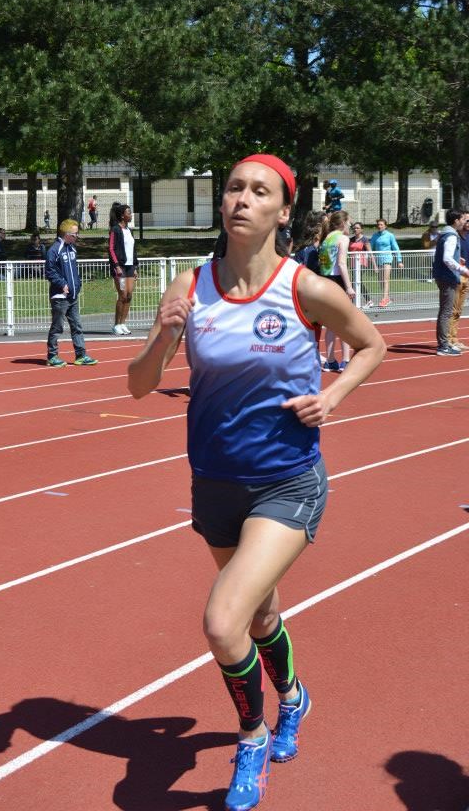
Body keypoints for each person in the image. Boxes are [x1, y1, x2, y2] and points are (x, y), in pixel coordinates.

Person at [128, 153, 385, 811]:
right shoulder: (191, 285)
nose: (242, 199)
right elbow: (138, 384)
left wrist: (333, 397)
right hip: (215, 482)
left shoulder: (306, 288)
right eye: (234, 188)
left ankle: (252, 734)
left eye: (259, 191)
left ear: (283, 210)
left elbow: (372, 345)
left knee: (223, 622)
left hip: (287, 481)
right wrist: (163, 338)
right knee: (260, 613)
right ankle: (293, 697)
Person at [45, 219, 98, 367]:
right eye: (74, 234)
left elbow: (74, 270)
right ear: (66, 234)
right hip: (60, 297)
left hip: (73, 296)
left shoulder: (72, 249)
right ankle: (52, 356)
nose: (77, 237)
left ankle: (81, 355)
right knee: (57, 327)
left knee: (77, 326)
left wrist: (77, 284)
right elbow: (49, 271)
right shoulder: (54, 250)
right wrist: (62, 284)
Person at [318, 211, 356, 371]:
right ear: (342, 223)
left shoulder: (326, 238)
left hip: (325, 280)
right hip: (337, 281)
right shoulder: (343, 238)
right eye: (349, 222)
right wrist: (349, 286)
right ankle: (345, 360)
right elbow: (341, 264)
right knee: (344, 322)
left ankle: (330, 360)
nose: (350, 225)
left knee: (331, 324)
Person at [433, 209, 469, 356]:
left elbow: (447, 255)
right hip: (447, 277)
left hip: (443, 276)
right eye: (463, 219)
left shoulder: (445, 233)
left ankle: (445, 344)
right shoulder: (451, 235)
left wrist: (457, 259)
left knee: (446, 311)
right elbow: (447, 258)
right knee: (446, 312)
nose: (465, 222)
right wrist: (463, 269)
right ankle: (443, 346)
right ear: (456, 221)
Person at [108, 202, 138, 335]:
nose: (131, 215)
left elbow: (133, 249)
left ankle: (123, 323)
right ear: (122, 216)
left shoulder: (130, 231)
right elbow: (111, 249)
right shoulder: (115, 229)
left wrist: (135, 267)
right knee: (123, 295)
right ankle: (116, 324)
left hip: (130, 267)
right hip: (120, 267)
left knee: (129, 295)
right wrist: (116, 265)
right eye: (128, 213)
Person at [370, 218, 403, 307]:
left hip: (387, 259)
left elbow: (396, 248)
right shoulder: (375, 236)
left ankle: (384, 299)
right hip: (378, 260)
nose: (379, 226)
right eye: (378, 225)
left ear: (385, 226)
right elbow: (370, 247)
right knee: (380, 280)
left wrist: (399, 261)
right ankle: (387, 297)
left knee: (385, 279)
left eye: (381, 225)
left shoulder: (390, 235)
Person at [449, 214, 469, 351]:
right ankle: (449, 339)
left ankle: (454, 338)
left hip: (467, 276)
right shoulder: (454, 237)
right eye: (466, 220)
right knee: (453, 309)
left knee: (459, 310)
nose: (468, 223)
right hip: (457, 276)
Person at [349, 221, 378, 309]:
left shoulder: (365, 240)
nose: (355, 229)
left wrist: (375, 266)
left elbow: (370, 253)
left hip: (362, 263)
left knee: (357, 281)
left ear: (361, 229)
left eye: (357, 228)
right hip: (353, 263)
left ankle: (369, 301)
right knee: (354, 282)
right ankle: (354, 302)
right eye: (354, 228)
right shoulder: (351, 240)